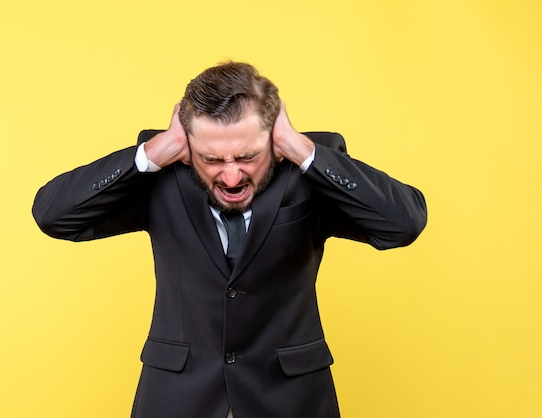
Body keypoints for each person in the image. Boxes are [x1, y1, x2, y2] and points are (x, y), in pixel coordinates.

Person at [32, 61, 427, 418]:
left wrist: (303, 151)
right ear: (186, 147)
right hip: (177, 397)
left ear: (275, 140)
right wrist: (150, 154)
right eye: (213, 160)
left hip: (290, 398)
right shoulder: (162, 175)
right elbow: (55, 216)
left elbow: (403, 223)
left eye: (247, 156)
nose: (232, 177)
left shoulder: (306, 171)